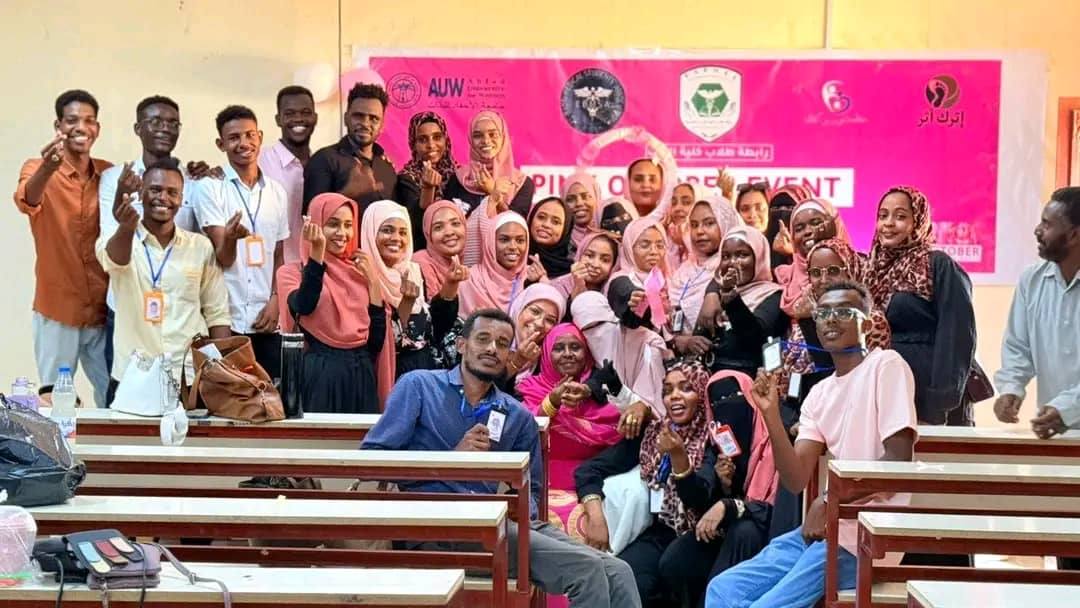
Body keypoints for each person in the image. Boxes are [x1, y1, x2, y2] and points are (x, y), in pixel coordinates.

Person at [361, 308, 642, 608]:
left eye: (503, 343)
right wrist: (450, 460)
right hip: (434, 523)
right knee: (586, 570)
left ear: (510, 354)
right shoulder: (419, 386)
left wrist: (519, 506)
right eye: (483, 339)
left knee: (618, 571)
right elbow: (371, 461)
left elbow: (533, 490)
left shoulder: (515, 414)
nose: (493, 349)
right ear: (461, 345)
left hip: (495, 522)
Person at [704, 281, 918, 608]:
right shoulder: (819, 393)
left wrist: (831, 500)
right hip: (825, 530)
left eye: (844, 311)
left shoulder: (886, 365)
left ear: (867, 324)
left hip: (871, 534)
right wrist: (771, 415)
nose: (831, 319)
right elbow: (796, 479)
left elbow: (897, 463)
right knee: (723, 590)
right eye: (823, 313)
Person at [99, 95, 217, 375]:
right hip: (131, 311)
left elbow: (201, 246)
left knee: (182, 392)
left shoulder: (193, 180)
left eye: (173, 123)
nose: (165, 128)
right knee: (123, 390)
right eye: (156, 121)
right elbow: (111, 241)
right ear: (138, 128)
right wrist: (122, 198)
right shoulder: (115, 178)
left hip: (180, 311)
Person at [96, 158, 231, 400]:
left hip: (188, 378)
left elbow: (217, 313)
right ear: (141, 193)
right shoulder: (119, 240)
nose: (163, 198)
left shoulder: (200, 246)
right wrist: (126, 228)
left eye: (172, 192)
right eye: (155, 190)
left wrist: (221, 374)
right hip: (133, 377)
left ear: (181, 199)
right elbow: (116, 261)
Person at [14, 89, 111, 407]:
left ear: (97, 128)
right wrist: (48, 167)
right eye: (72, 120)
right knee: (56, 402)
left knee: (116, 399)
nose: (81, 127)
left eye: (89, 120)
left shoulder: (108, 174)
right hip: (58, 307)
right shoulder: (37, 167)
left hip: (103, 309)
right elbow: (27, 199)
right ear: (58, 126)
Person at [191, 105, 290, 380]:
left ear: (260, 137)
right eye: (234, 138)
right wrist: (232, 239)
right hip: (227, 319)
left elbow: (279, 256)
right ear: (220, 144)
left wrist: (276, 300)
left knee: (269, 395)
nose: (244, 143)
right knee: (229, 395)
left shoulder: (277, 193)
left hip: (267, 319)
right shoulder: (210, 188)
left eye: (250, 135)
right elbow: (223, 257)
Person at [865, 186, 975, 426]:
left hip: (929, 396)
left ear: (918, 221)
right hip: (885, 391)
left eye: (900, 216)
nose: (888, 223)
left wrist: (940, 404)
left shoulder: (938, 265)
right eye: (883, 216)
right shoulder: (870, 268)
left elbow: (957, 336)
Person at [275, 193, 386, 414]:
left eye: (348, 225)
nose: (342, 233)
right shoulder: (291, 272)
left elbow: (375, 342)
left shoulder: (360, 272)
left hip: (360, 376)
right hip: (320, 375)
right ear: (316, 225)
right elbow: (304, 305)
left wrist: (374, 282)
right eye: (333, 224)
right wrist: (316, 255)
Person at [517, 324, 622, 532]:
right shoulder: (529, 389)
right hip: (541, 483)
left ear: (587, 353)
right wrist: (551, 403)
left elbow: (619, 434)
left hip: (595, 483)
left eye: (575, 347)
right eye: (558, 348)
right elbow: (523, 432)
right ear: (546, 354)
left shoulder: (603, 394)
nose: (567, 354)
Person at [995, 188, 1080, 436]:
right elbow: (1017, 346)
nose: (1037, 230)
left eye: (1047, 224)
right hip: (1055, 432)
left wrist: (1067, 408)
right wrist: (1011, 388)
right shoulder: (1032, 280)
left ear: (1074, 235)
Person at [359, 200, 457, 400]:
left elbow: (432, 331)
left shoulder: (413, 271)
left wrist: (450, 286)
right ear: (371, 232)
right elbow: (378, 342)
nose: (396, 238)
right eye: (387, 230)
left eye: (403, 232)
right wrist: (406, 304)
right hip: (389, 379)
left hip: (425, 378)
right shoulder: (360, 274)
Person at [692, 227, 788, 377]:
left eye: (742, 255)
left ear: (759, 257)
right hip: (709, 375)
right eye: (725, 256)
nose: (732, 262)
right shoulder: (716, 295)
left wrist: (732, 299)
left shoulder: (774, 295)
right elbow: (700, 336)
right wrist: (687, 342)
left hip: (747, 379)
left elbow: (756, 338)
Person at [571, 291, 668, 424]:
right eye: (587, 330)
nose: (597, 334)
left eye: (600, 324)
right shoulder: (586, 359)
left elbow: (654, 407)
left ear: (612, 318)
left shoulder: (648, 344)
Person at [303, 83, 395, 212]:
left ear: (382, 125)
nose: (365, 123)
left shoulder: (387, 166)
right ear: (346, 118)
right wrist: (348, 193)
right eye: (358, 116)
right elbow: (310, 214)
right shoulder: (324, 159)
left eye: (374, 118)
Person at [669, 196, 743, 340]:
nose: (699, 231)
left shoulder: (737, 268)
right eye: (694, 225)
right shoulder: (683, 271)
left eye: (709, 223)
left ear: (726, 224)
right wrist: (679, 341)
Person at [260, 85, 318, 265]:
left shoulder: (323, 163)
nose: (298, 119)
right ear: (278, 119)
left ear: (315, 118)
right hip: (271, 269)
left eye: (305, 112)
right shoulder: (260, 160)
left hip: (313, 268)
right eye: (290, 113)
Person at [443, 110, 535, 219]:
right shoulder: (458, 179)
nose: (486, 141)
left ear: (503, 137)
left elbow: (515, 223)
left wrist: (492, 191)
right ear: (471, 140)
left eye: (493, 134)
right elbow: (448, 221)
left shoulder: (521, 183)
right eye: (478, 136)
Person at [394, 111, 458, 251]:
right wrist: (427, 188)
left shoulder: (459, 175)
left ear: (445, 139)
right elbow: (414, 223)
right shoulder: (407, 178)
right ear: (413, 144)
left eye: (437, 137)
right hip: (422, 253)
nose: (431, 145)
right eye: (423, 140)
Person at [457, 211, 529, 318]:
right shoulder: (471, 280)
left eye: (520, 240)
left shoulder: (530, 279)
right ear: (490, 242)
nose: (513, 247)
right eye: (504, 240)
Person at [607, 217, 670, 333]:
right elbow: (626, 293)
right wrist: (634, 299)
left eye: (660, 246)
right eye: (645, 245)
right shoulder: (620, 280)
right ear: (629, 248)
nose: (654, 252)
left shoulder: (660, 279)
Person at [504, 283, 566, 381]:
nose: (539, 323)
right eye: (535, 311)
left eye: (550, 320)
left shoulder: (547, 362)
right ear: (519, 308)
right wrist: (517, 362)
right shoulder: (493, 342)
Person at [551, 231, 620, 302]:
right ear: (579, 255)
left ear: (613, 266)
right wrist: (578, 287)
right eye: (589, 256)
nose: (595, 265)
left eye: (605, 260)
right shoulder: (558, 287)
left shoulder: (614, 293)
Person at [764, 184, 814, 269]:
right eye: (776, 208)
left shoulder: (817, 241)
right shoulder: (762, 244)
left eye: (790, 207)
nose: (782, 212)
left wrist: (793, 253)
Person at [527, 196, 574, 279]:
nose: (546, 225)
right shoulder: (514, 258)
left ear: (566, 230)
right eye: (541, 217)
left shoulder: (572, 273)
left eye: (555, 222)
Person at [562, 171, 601, 255]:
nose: (579, 203)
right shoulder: (559, 241)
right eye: (570, 199)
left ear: (597, 198)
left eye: (585, 196)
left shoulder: (610, 235)